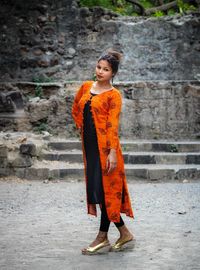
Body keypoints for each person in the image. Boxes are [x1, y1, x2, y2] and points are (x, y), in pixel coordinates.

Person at [71, 49, 135, 255]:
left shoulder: (113, 96)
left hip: (106, 151)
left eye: (105, 69)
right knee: (99, 190)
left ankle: (102, 237)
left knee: (106, 192)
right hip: (89, 149)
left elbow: (112, 126)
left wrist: (112, 153)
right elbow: (76, 108)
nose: (100, 72)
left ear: (113, 73)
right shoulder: (86, 87)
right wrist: (83, 127)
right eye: (99, 67)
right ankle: (124, 233)